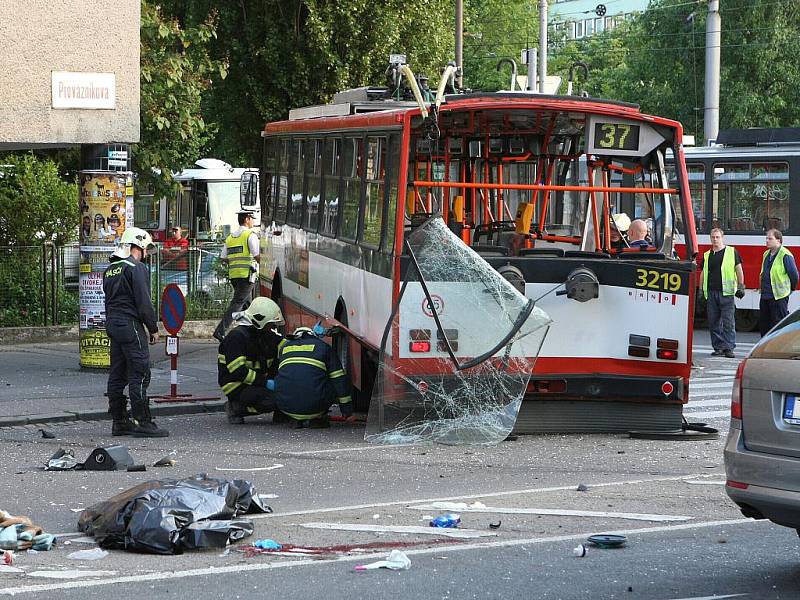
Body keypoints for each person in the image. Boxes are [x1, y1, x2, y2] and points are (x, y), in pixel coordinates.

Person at [103, 227, 168, 437]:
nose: (147, 253)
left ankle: (119, 421)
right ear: (137, 246)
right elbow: (143, 302)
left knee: (117, 373)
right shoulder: (135, 267)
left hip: (113, 324)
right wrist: (153, 328)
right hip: (130, 325)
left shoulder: (110, 269)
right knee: (139, 371)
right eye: (146, 248)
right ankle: (144, 422)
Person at [218, 297, 284, 424]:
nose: (273, 327)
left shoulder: (264, 334)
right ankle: (236, 408)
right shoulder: (236, 338)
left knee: (285, 396)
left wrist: (306, 336)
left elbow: (285, 345)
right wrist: (266, 383)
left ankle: (282, 413)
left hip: (258, 382)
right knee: (273, 401)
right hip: (236, 385)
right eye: (270, 324)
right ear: (261, 321)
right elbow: (238, 372)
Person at [272, 326, 354, 429]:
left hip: (286, 408)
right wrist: (347, 411)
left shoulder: (284, 348)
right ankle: (318, 418)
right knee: (332, 378)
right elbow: (339, 380)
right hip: (316, 407)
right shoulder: (324, 347)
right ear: (314, 335)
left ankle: (295, 419)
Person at [213, 211, 260, 342]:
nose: (253, 222)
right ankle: (220, 331)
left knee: (247, 305)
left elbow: (223, 258)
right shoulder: (250, 235)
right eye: (252, 219)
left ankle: (253, 332)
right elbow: (257, 256)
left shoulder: (231, 238)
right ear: (247, 219)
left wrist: (235, 262)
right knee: (238, 303)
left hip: (235, 276)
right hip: (247, 275)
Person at [700, 228, 745, 358]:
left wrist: (741, 286)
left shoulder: (731, 252)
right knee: (713, 322)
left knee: (728, 323)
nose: (715, 239)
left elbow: (739, 270)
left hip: (727, 293)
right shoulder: (707, 255)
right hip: (712, 293)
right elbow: (703, 273)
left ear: (722, 238)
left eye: (717, 237)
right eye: (713, 237)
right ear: (710, 238)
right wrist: (701, 291)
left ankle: (729, 348)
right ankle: (718, 347)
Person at [758, 228, 799, 336]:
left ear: (779, 240)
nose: (767, 241)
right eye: (766, 238)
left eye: (770, 239)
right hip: (765, 295)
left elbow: (794, 275)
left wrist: (791, 289)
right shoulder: (766, 254)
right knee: (764, 324)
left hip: (779, 296)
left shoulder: (785, 255)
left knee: (778, 324)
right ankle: (764, 349)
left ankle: (777, 349)